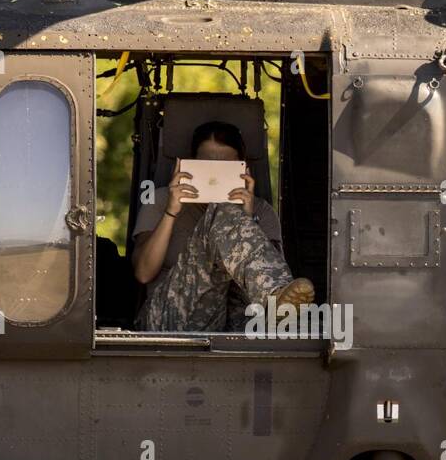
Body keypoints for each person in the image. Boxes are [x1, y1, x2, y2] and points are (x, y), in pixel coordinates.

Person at [131, 120, 313, 332]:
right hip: (169, 317)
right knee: (223, 211)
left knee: (228, 212)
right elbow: (143, 273)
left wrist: (246, 220)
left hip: (235, 319)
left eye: (224, 166)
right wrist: (171, 212)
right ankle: (275, 304)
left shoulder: (262, 211)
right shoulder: (161, 200)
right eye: (207, 165)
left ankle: (276, 302)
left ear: (243, 168)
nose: (214, 175)